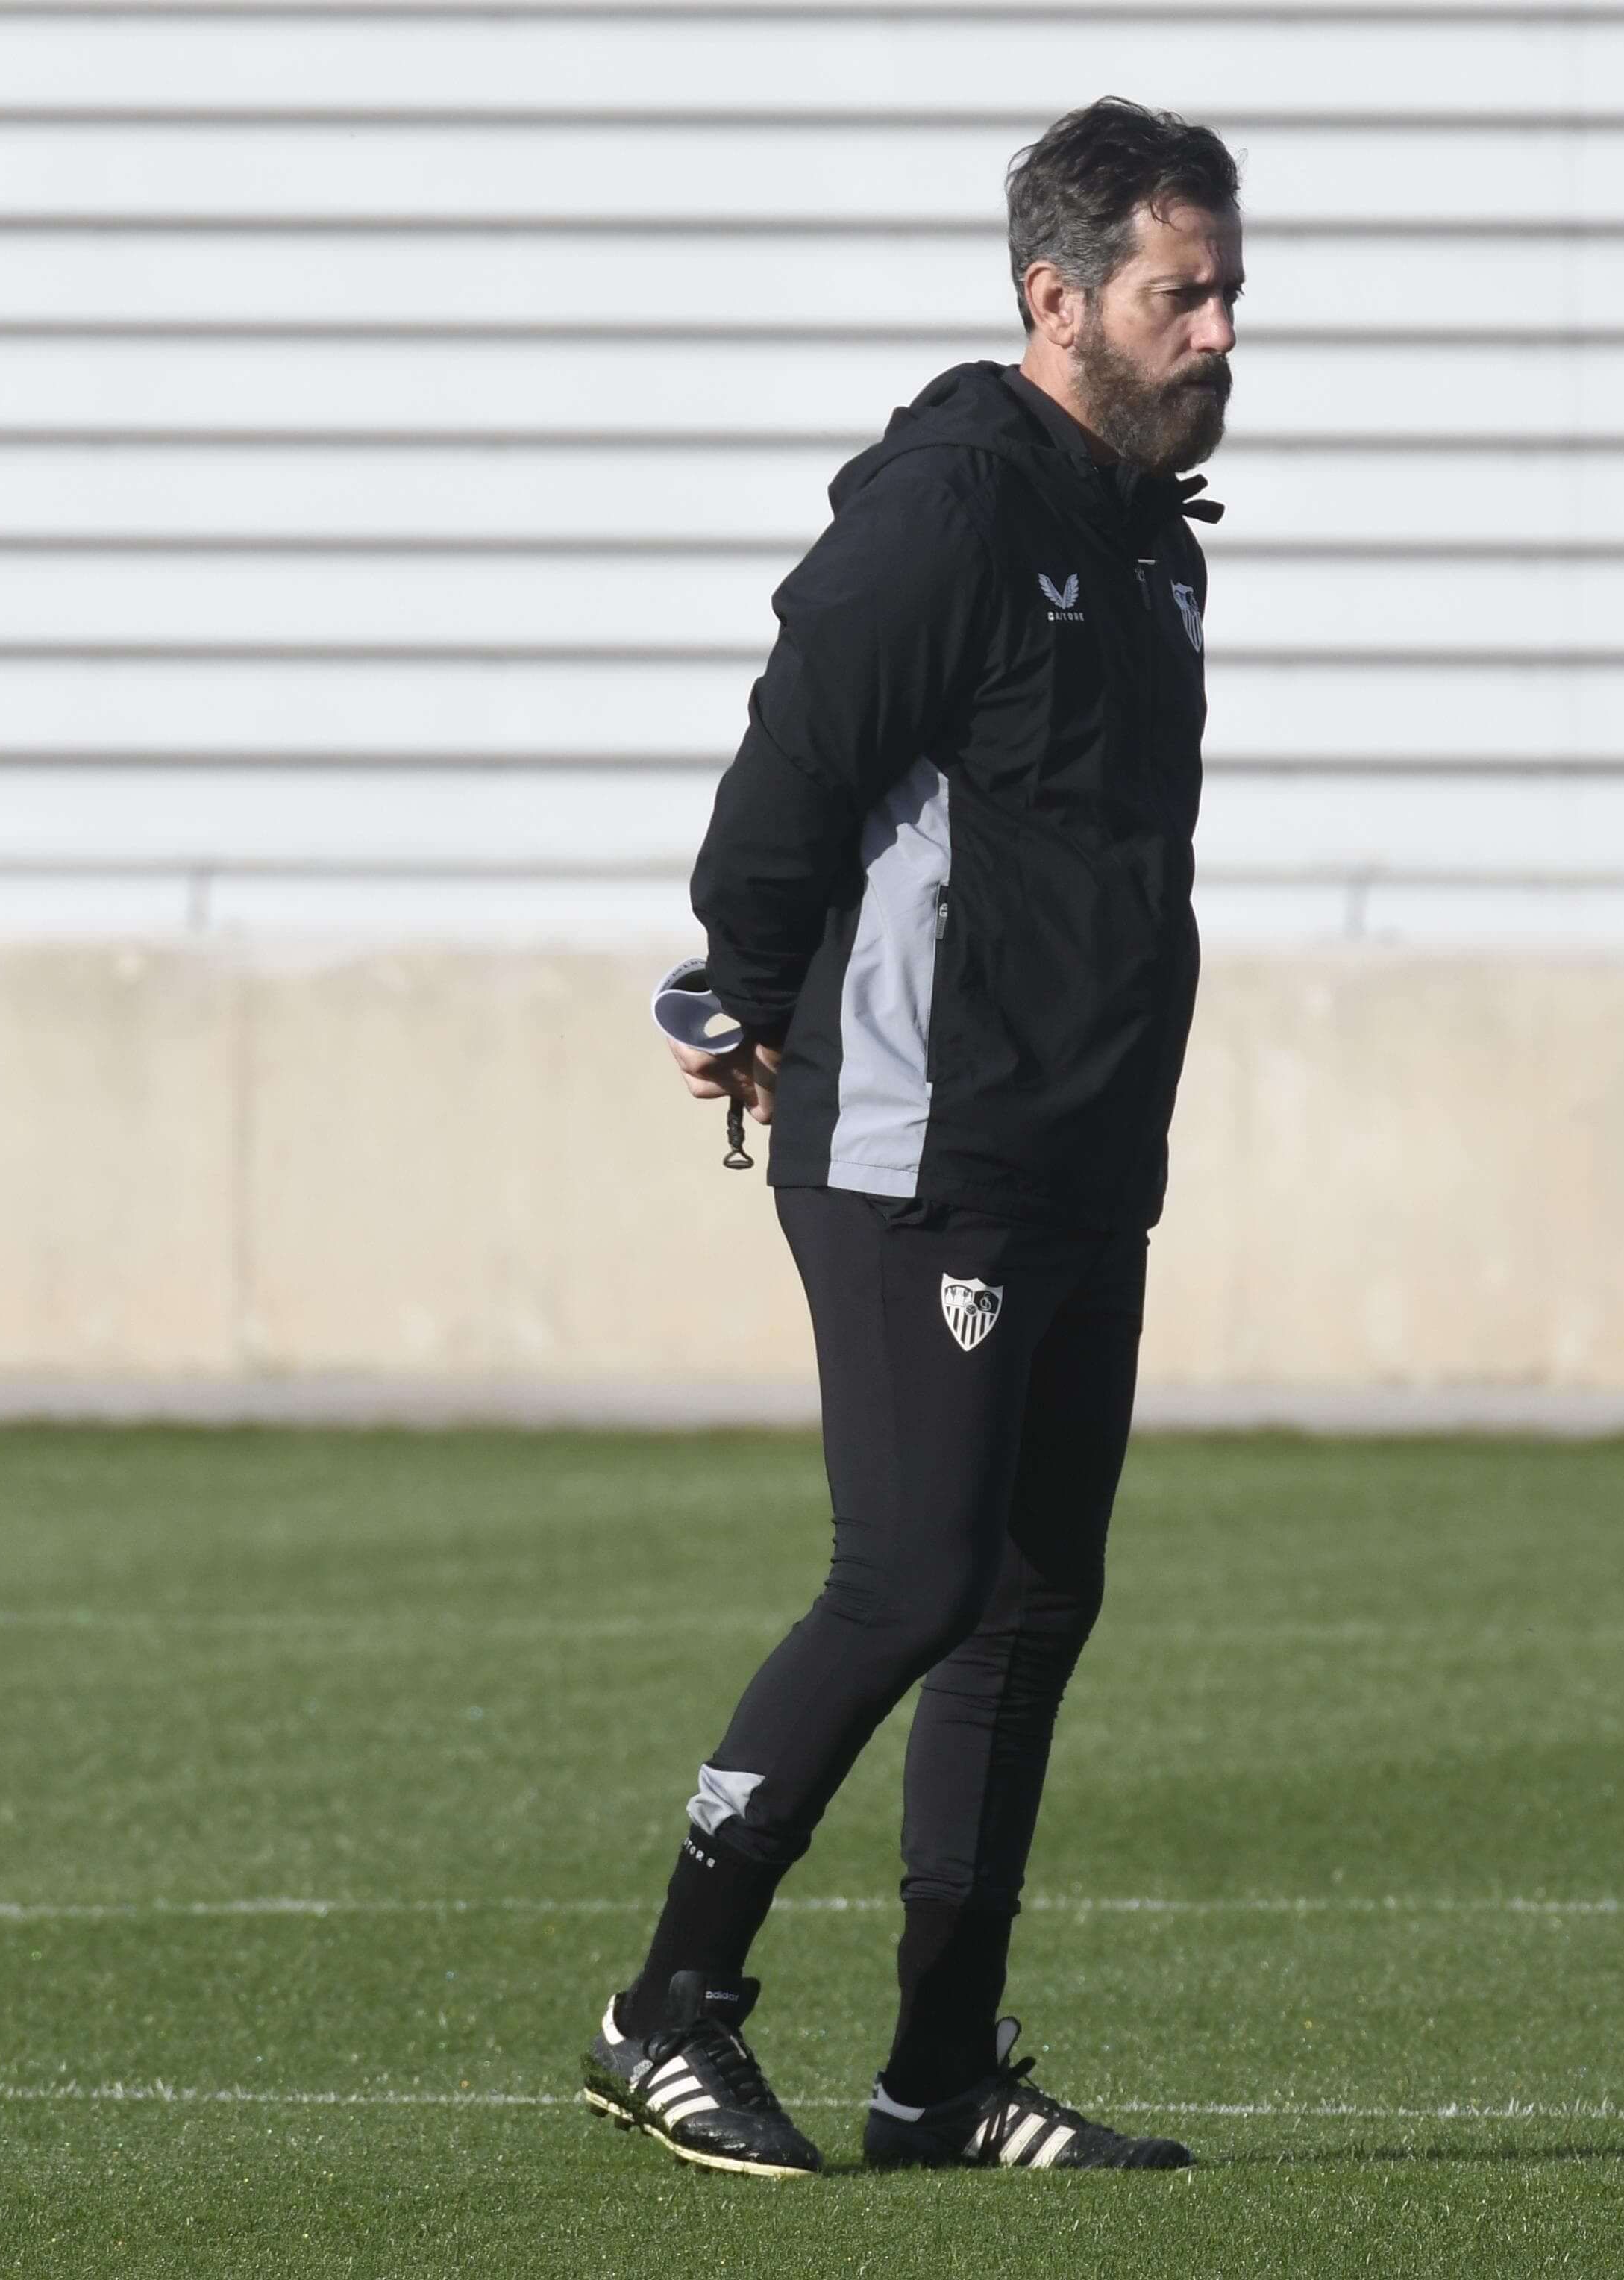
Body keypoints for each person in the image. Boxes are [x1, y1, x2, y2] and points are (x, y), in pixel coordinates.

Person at [576, 98, 1242, 2180]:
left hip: (1078, 1145)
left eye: (1231, 289)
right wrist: (734, 981)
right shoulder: (951, 509)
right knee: (912, 1576)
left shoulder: (1145, 534)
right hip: (913, 1144)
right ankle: (665, 2008)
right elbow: (798, 753)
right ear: (1058, 301)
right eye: (1179, 293)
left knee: (1034, 1605)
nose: (1220, 328)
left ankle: (939, 2077)